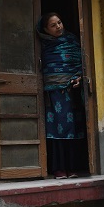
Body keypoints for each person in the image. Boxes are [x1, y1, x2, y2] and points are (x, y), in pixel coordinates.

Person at [36, 12, 87, 179]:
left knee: (72, 129)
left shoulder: (72, 41)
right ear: (45, 29)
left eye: (59, 22)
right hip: (52, 94)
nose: (58, 27)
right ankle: (57, 168)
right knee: (55, 131)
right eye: (53, 25)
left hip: (71, 91)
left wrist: (79, 77)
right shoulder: (41, 44)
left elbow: (81, 63)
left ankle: (73, 167)